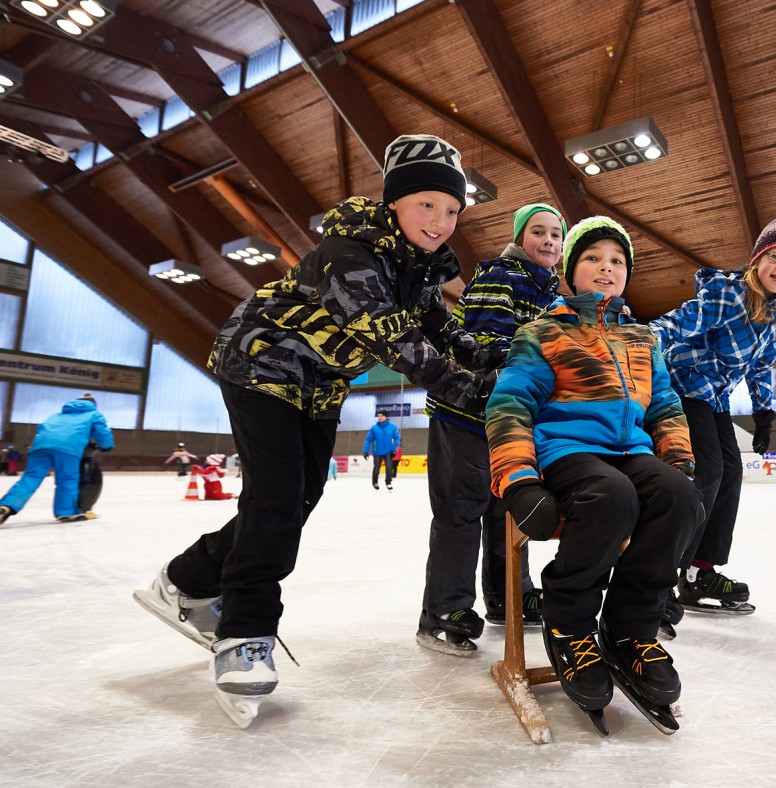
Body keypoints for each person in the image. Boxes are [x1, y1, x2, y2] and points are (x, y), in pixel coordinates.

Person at [132, 133, 501, 728]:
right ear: (393, 205)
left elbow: (443, 328)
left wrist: (497, 360)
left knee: (299, 499)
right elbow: (394, 340)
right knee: (275, 499)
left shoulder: (423, 269)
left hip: (321, 386)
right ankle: (245, 631)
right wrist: (467, 389)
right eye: (426, 204)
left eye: (452, 209)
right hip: (262, 366)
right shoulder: (350, 253)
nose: (440, 221)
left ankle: (185, 579)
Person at [486, 216, 703, 726]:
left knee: (679, 498)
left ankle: (631, 630)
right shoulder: (542, 331)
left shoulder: (642, 338)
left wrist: (679, 461)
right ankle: (570, 624)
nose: (606, 269)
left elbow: (666, 405)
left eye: (616, 262)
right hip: (568, 451)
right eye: (593, 259)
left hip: (631, 449)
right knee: (611, 496)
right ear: (570, 269)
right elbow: (510, 401)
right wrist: (518, 481)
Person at [418, 202, 564, 656]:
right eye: (537, 232)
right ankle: (444, 611)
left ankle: (507, 597)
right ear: (521, 238)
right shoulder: (501, 275)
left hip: (507, 419)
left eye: (556, 236)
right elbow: (480, 343)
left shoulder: (549, 292)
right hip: (464, 410)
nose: (548, 241)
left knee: (506, 508)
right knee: (461, 509)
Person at [651, 216, 776, 617]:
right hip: (683, 385)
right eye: (775, 256)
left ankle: (699, 570)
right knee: (706, 473)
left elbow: (758, 368)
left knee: (731, 473)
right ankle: (664, 571)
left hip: (716, 398)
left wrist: (763, 411)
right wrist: (638, 340)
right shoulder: (729, 295)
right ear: (758, 258)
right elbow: (677, 322)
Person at [0, 393, 114, 525]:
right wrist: (107, 446)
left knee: (30, 478)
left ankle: (6, 506)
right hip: (67, 448)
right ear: (93, 404)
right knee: (67, 479)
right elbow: (102, 432)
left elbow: (41, 428)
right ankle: (66, 512)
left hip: (40, 447)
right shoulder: (94, 414)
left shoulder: (56, 415)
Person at [363, 411, 400, 491]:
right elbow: (368, 440)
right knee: (376, 468)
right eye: (378, 416)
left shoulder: (392, 427)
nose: (379, 417)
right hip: (377, 452)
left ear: (386, 417)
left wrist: (394, 449)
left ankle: (388, 482)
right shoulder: (374, 428)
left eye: (381, 416)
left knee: (389, 468)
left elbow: (397, 438)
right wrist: (366, 451)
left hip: (388, 451)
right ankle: (375, 482)